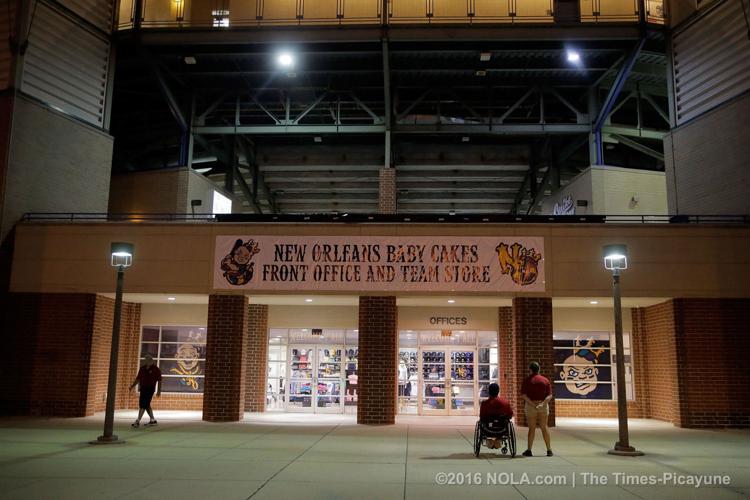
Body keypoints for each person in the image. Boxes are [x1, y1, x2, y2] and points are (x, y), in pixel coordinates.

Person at [521, 361, 553, 457]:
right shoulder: (545, 380)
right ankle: (549, 450)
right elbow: (550, 395)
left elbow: (524, 395)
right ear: (539, 369)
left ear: (530, 369)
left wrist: (532, 404)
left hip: (531, 407)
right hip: (543, 406)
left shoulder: (527, 380)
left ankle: (529, 450)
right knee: (544, 427)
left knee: (532, 428)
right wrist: (542, 404)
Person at [129, 354, 162, 428]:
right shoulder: (142, 368)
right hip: (143, 388)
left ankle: (137, 421)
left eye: (149, 360)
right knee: (146, 404)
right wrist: (132, 386)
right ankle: (153, 420)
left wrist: (159, 391)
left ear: (152, 360)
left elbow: (159, 381)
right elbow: (138, 379)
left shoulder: (156, 369)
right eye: (146, 360)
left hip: (150, 388)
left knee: (143, 404)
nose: (147, 361)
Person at [479, 383, 514, 449]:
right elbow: (510, 415)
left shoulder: (484, 404)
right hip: (502, 429)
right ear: (498, 391)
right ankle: (497, 441)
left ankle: (491, 442)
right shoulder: (505, 403)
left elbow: (482, 418)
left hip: (488, 430)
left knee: (483, 422)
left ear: (489, 392)